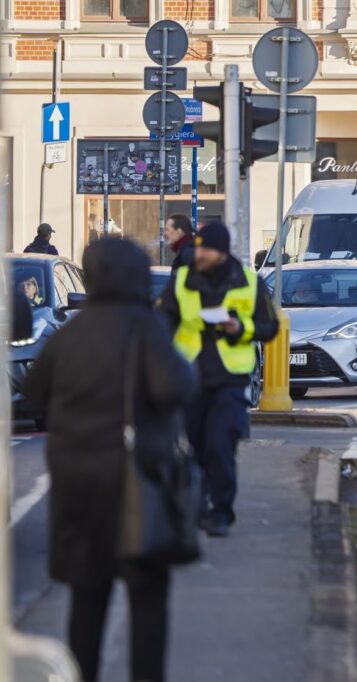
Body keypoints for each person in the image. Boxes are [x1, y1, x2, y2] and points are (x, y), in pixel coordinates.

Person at [25, 238, 195, 682]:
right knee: (147, 598)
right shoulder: (146, 327)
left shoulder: (68, 335)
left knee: (87, 598)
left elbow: (32, 391)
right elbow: (173, 386)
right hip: (138, 481)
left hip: (77, 485)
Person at [157, 221, 278, 537]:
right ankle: (199, 504)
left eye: (206, 249)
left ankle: (221, 512)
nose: (200, 254)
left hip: (230, 378)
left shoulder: (250, 282)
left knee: (221, 444)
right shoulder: (182, 280)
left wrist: (241, 329)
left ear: (221, 252)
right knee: (195, 445)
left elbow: (270, 328)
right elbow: (164, 321)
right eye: (198, 248)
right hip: (190, 376)